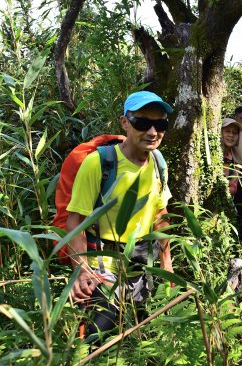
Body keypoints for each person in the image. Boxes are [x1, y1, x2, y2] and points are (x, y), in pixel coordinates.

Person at [66, 91, 174, 343]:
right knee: (97, 338)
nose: (152, 132)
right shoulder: (98, 164)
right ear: (125, 123)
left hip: (142, 261)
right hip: (103, 262)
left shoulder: (158, 162)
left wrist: (166, 263)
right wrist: (81, 271)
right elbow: (75, 221)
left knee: (138, 335)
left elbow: (161, 214)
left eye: (160, 124)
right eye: (142, 123)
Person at [221, 118, 242, 197]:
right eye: (227, 131)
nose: (231, 135)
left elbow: (233, 187)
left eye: (235, 132)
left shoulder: (236, 158)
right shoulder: (211, 154)